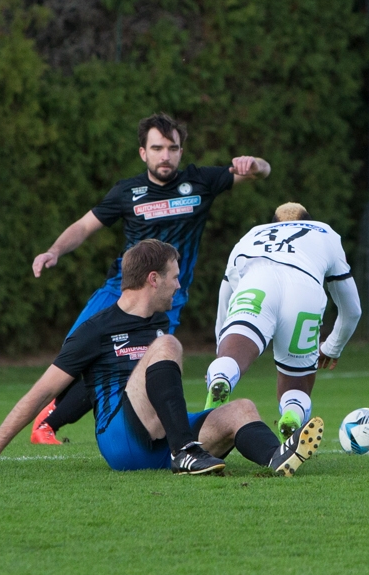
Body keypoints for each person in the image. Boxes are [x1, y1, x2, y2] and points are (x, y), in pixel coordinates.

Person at [0, 240, 324, 476]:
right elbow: (39, 393)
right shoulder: (95, 330)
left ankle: (278, 457)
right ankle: (186, 452)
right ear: (153, 279)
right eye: (174, 278)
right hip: (122, 441)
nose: (179, 285)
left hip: (161, 436)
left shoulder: (157, 321)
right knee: (168, 346)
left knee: (242, 408)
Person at [29, 113, 271, 444]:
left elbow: (262, 171)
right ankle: (49, 418)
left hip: (166, 300)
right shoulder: (128, 192)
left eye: (172, 148)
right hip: (120, 292)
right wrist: (54, 251)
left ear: (181, 151)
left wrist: (253, 164)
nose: (165, 155)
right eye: (157, 148)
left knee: (131, 370)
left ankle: (53, 424)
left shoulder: (199, 182)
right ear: (143, 152)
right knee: (81, 353)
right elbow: (85, 226)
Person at [204, 202, 362, 439]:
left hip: (257, 285)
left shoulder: (251, 235)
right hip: (304, 291)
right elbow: (352, 309)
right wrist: (332, 347)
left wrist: (222, 350)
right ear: (308, 219)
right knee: (296, 384)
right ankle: (292, 418)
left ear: (273, 223)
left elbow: (225, 298)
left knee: (230, 361)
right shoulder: (324, 232)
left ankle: (222, 377)